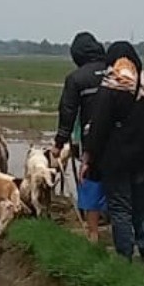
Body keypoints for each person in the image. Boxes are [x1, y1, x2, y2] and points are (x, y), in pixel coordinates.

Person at [84, 41, 144, 262]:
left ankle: (124, 258)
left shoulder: (110, 86)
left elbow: (97, 127)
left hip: (116, 161)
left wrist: (89, 157)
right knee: (141, 208)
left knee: (120, 209)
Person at [52, 32, 109, 242]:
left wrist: (59, 143)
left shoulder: (76, 78)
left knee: (91, 182)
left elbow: (67, 112)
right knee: (119, 187)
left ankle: (93, 234)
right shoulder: (116, 73)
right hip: (121, 141)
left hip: (92, 142)